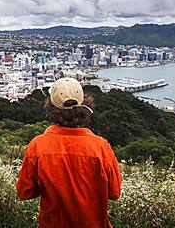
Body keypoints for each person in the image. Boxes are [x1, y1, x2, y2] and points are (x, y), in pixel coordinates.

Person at [16, 77, 122, 228]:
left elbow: (24, 192)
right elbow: (114, 192)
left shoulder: (38, 147)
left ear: (50, 107)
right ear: (84, 106)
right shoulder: (100, 147)